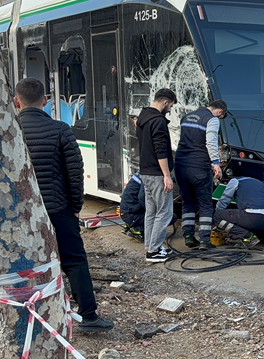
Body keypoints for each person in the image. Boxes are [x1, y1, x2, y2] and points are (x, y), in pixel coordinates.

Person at [15, 78, 113, 333]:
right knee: (74, 261)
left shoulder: (9, 133)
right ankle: (89, 316)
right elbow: (75, 172)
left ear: (16, 102)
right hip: (59, 208)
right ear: (45, 102)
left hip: (22, 213)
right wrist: (76, 205)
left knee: (29, 264)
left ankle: (32, 317)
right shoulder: (60, 129)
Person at [175, 100, 227, 250]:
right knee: (205, 204)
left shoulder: (186, 117)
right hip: (199, 166)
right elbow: (210, 142)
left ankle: (189, 236)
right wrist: (216, 164)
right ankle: (205, 240)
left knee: (188, 202)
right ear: (219, 112)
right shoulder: (212, 119)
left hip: (181, 165)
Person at [137, 88, 177, 263]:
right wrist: (167, 176)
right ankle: (153, 251)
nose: (170, 110)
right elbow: (160, 150)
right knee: (164, 212)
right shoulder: (158, 121)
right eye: (171, 106)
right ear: (165, 102)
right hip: (157, 173)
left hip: (145, 172)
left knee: (151, 212)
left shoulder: (142, 118)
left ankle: (151, 246)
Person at [213, 177, 264, 248]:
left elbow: (224, 200)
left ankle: (247, 237)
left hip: (255, 218)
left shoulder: (235, 181)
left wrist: (218, 221)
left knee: (217, 216)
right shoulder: (258, 182)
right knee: (245, 217)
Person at [120, 172, 146, 241]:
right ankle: (137, 229)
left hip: (125, 212)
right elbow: (142, 197)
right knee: (168, 217)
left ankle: (130, 225)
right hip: (130, 215)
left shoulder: (140, 174)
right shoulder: (146, 176)